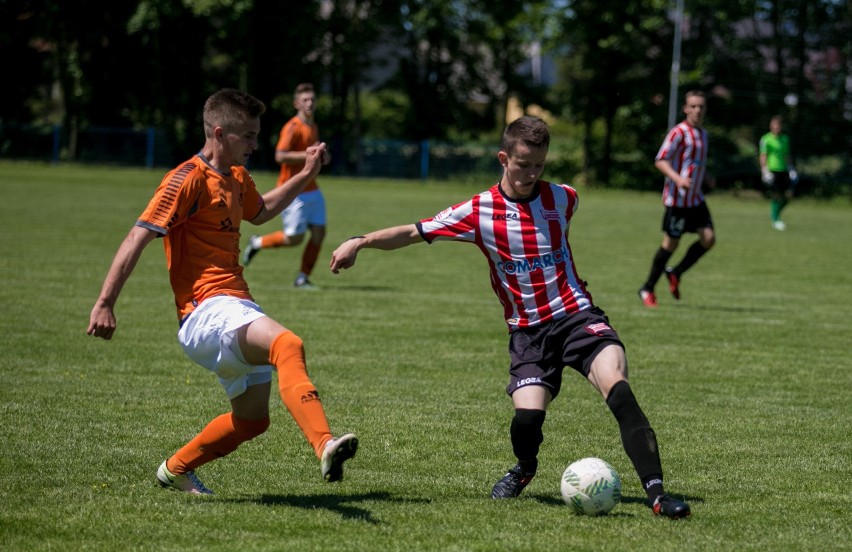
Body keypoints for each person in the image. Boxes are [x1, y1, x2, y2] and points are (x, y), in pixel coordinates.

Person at [329, 116, 691, 519]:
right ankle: (525, 467)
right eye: (523, 165)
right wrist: (360, 241)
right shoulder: (479, 210)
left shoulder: (564, 198)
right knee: (527, 418)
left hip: (577, 316)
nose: (532, 174)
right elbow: (415, 232)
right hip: (528, 333)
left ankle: (658, 495)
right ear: (504, 158)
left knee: (619, 390)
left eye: (539, 165)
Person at [87, 88, 357, 495]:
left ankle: (175, 470)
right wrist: (105, 302)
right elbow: (136, 238)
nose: (255, 144)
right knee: (287, 345)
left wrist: (304, 175)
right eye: (247, 135)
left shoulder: (236, 177)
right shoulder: (187, 179)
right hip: (206, 311)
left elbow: (261, 211)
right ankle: (325, 444)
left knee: (252, 420)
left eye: (255, 134)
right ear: (219, 133)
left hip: (232, 306)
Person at [242, 83, 332, 288]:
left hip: (312, 188)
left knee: (319, 233)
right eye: (305, 100)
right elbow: (280, 155)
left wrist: (322, 154)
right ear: (296, 103)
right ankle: (257, 243)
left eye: (312, 99)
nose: (310, 103)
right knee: (294, 239)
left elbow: (314, 149)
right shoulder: (292, 127)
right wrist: (309, 154)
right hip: (293, 191)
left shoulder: (313, 125)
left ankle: (302, 278)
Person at [638, 90, 716, 308]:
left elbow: (695, 163)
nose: (698, 110)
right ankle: (647, 288)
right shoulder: (678, 132)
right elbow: (661, 160)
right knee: (670, 244)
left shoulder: (703, 134)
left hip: (696, 199)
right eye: (693, 106)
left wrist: (707, 177)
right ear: (685, 108)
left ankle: (676, 272)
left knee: (708, 239)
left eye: (701, 106)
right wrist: (678, 178)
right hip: (678, 201)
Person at [759, 115, 797, 231]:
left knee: (788, 196)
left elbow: (787, 155)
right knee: (776, 195)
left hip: (783, 170)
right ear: (771, 126)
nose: (776, 128)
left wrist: (791, 168)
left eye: (779, 126)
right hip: (772, 171)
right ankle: (776, 219)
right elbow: (763, 155)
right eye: (774, 125)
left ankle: (775, 214)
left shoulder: (785, 139)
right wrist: (764, 170)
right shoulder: (766, 139)